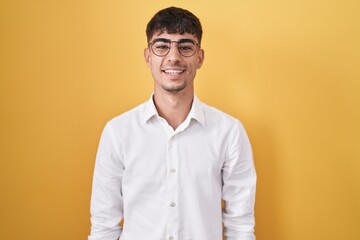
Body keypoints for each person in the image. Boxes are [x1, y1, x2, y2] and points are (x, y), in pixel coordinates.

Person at [88, 6, 257, 240]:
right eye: (162, 46)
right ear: (148, 57)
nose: (174, 57)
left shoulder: (229, 132)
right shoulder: (118, 133)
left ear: (200, 58)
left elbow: (240, 226)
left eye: (186, 47)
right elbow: (104, 226)